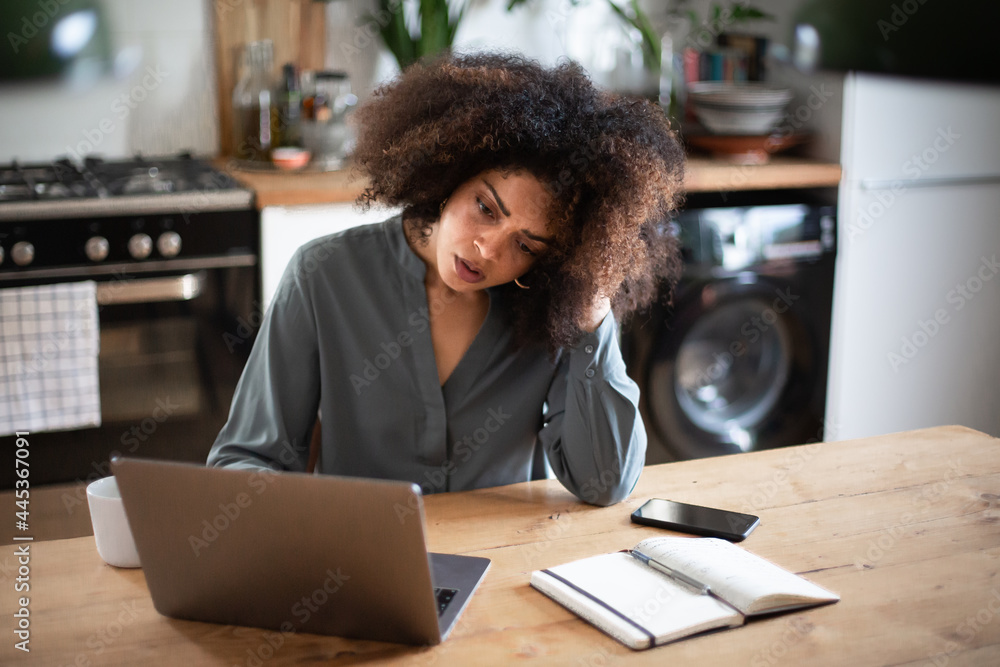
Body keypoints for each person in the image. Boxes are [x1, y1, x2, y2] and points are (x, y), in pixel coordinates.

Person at [207, 51, 685, 506]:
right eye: (485, 207)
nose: (488, 249)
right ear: (449, 172)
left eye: (526, 245)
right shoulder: (323, 276)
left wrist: (590, 307)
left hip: (505, 570)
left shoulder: (554, 308)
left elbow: (604, 482)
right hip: (360, 570)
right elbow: (246, 459)